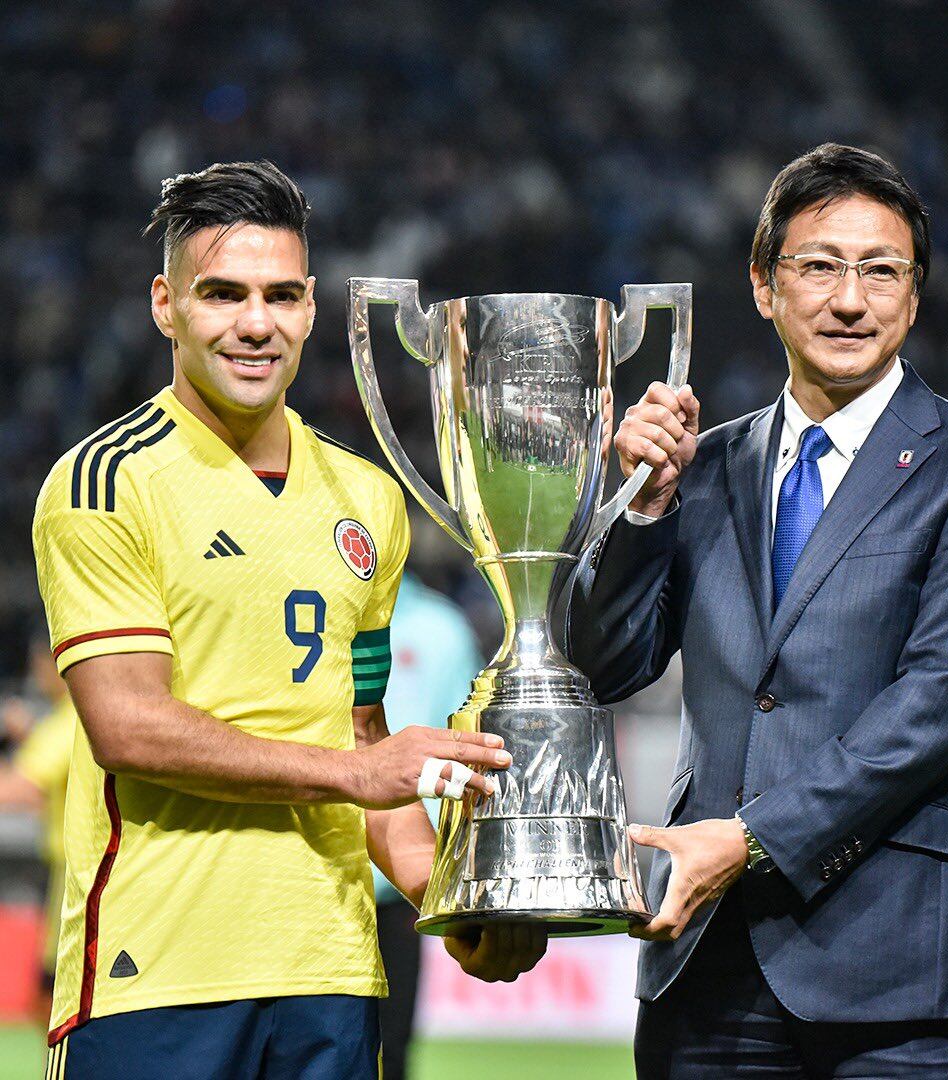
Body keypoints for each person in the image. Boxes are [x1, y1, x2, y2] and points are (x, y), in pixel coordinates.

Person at [33, 160, 545, 1080]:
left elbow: (364, 742)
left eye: (280, 295)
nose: (255, 323)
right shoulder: (104, 483)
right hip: (156, 973)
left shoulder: (367, 498)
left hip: (334, 973)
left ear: (311, 308)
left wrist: (450, 900)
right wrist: (359, 771)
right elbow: (128, 727)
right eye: (222, 294)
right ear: (165, 304)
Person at [566, 143, 948, 1078]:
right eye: (820, 265)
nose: (849, 298)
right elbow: (600, 664)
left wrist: (747, 841)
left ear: (915, 294)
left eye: (882, 271)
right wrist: (641, 510)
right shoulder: (699, 468)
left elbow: (940, 706)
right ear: (762, 285)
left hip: (903, 974)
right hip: (705, 961)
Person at [372, 570, 485, 1080]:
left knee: (390, 1051)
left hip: (403, 882)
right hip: (312, 868)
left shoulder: (442, 628)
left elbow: (471, 746)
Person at [0, 633, 77, 1020]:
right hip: (71, 868)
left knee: (53, 992)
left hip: (76, 876)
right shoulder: (63, 721)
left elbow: (21, 788)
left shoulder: (69, 718)